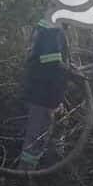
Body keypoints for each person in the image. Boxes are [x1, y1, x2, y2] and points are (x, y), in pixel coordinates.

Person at [18, 15, 71, 171]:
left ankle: (53, 165)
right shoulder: (51, 30)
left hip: (47, 92)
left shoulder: (51, 27)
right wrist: (70, 72)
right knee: (36, 137)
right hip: (44, 94)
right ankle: (24, 175)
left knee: (61, 124)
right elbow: (52, 63)